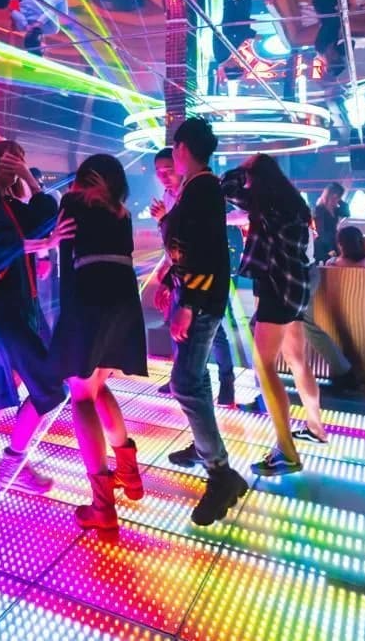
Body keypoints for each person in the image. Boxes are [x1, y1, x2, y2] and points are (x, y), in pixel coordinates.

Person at [0, 141, 74, 494]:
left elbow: (45, 217)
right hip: (2, 310)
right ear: (0, 162)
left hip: (18, 308)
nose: (21, 166)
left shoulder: (6, 203)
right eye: (17, 160)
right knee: (51, 387)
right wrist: (35, 245)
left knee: (2, 384)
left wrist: (28, 177)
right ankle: (13, 461)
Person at [157, 119, 248, 524]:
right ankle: (204, 444)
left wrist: (188, 303)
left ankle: (220, 473)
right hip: (195, 295)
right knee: (195, 377)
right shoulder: (197, 188)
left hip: (201, 299)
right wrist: (172, 285)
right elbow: (184, 246)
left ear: (181, 148)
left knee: (184, 382)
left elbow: (204, 252)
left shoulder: (203, 189)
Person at [51, 155, 147, 529]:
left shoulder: (72, 203)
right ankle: (130, 478)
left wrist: (65, 324)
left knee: (81, 395)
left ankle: (103, 507)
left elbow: (65, 261)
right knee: (99, 385)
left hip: (89, 300)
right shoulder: (122, 214)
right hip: (124, 302)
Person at [222, 155, 326, 476]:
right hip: (296, 286)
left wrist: (243, 170)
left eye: (248, 171)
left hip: (276, 287)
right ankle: (316, 427)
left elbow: (225, 186)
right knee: (296, 360)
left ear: (256, 175)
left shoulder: (266, 202)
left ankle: (286, 451)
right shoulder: (291, 201)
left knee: (263, 365)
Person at [150, 147, 236, 406]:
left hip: (203, 281)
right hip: (181, 276)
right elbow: (174, 244)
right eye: (158, 172)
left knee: (214, 333)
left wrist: (164, 220)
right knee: (183, 334)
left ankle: (225, 382)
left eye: (168, 169)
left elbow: (198, 246)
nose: (164, 176)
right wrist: (168, 277)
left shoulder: (199, 191)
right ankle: (185, 376)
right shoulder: (171, 196)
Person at [313, 182, 347, 264]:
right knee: (327, 264)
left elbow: (346, 213)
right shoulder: (320, 209)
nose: (338, 198)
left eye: (339, 196)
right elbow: (321, 231)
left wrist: (340, 201)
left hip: (333, 240)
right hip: (324, 243)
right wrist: (330, 248)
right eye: (338, 196)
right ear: (332, 194)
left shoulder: (335, 209)